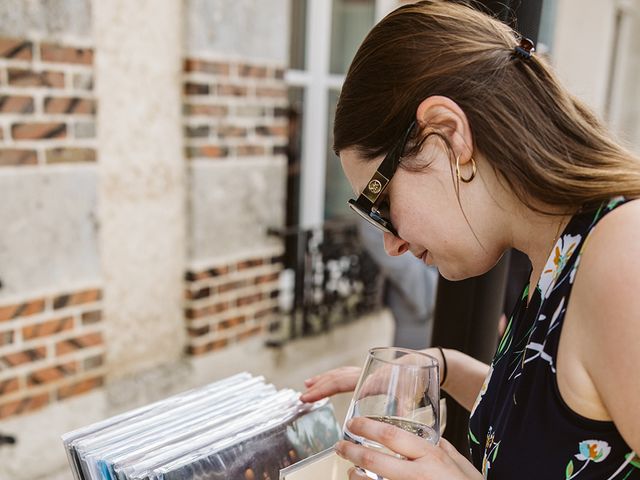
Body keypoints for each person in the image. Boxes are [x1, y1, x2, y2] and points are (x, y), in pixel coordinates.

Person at [300, 1, 640, 479]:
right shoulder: (559, 253)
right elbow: (566, 431)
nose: (390, 245)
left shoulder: (624, 254)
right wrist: (444, 369)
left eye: (379, 204)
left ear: (449, 135)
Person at [357, 217, 438, 349]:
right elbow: (372, 231)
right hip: (415, 304)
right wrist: (431, 293)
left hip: (428, 298)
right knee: (412, 363)